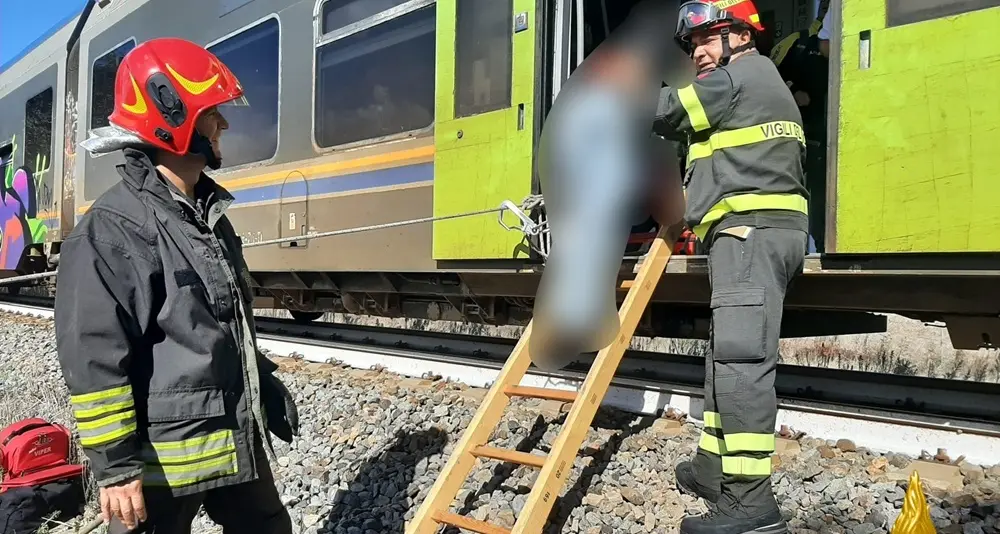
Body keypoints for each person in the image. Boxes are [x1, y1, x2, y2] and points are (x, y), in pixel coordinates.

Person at [54, 37, 298, 534]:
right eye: (212, 113)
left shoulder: (210, 217)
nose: (224, 124)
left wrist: (261, 383)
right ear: (171, 113)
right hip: (163, 458)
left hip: (231, 433)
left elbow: (218, 324)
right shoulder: (111, 229)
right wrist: (117, 469)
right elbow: (94, 357)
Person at [652, 1, 810, 533]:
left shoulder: (737, 77)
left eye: (707, 39)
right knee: (726, 355)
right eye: (692, 46)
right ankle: (713, 466)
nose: (697, 53)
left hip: (751, 235)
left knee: (742, 365)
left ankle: (750, 506)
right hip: (751, 235)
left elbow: (669, 113)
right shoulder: (754, 78)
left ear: (742, 36)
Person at [769, 3, 830, 252]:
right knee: (795, 206)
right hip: (799, 142)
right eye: (826, 6)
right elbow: (765, 78)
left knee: (825, 217)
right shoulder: (797, 42)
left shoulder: (851, 40)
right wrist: (793, 92)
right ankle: (794, 256)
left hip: (835, 142)